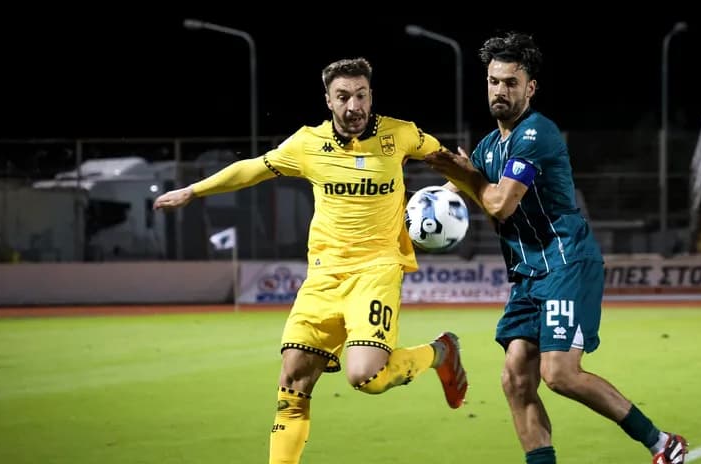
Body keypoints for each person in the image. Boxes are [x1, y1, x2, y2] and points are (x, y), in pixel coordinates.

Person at [153, 57, 468, 464]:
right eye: (343, 97)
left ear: (371, 95)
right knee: (292, 385)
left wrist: (457, 184)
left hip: (376, 271)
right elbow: (253, 169)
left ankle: (440, 351)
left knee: (366, 377)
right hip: (322, 278)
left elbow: (446, 159)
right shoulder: (307, 144)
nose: (353, 106)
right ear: (328, 100)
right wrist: (193, 191)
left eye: (360, 95)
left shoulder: (401, 134)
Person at [424, 32, 687, 464]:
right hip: (528, 275)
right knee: (515, 379)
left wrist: (467, 178)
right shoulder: (489, 148)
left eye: (511, 83)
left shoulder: (536, 134)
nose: (500, 91)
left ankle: (662, 443)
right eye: (494, 81)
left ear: (530, 88)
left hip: (566, 262)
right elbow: (492, 214)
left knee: (559, 373)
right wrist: (466, 178)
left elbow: (501, 203)